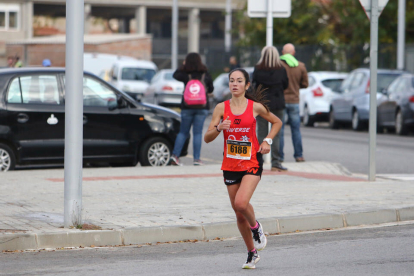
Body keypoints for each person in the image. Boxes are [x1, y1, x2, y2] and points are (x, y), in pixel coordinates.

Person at [204, 68, 282, 269]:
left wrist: (267, 141)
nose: (235, 84)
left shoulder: (255, 107)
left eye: (239, 81)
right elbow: (207, 137)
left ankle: (256, 228)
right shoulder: (221, 108)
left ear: (247, 85)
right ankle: (251, 253)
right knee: (239, 214)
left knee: (240, 203)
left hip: (252, 162)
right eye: (231, 81)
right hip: (230, 164)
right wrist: (219, 128)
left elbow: (277, 122)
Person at [170, 52, 214, 166]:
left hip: (187, 106)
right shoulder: (205, 73)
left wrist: (183, 65)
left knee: (183, 132)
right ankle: (196, 159)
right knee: (198, 133)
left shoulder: (186, 73)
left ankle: (175, 156)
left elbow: (175, 75)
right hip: (202, 107)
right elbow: (211, 89)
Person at [252, 46, 288, 171]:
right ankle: (276, 162)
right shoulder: (281, 69)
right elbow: (285, 85)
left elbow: (253, 84)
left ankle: (259, 161)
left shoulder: (258, 69)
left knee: (261, 132)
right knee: (276, 134)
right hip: (278, 103)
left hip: (262, 104)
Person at [280, 43, 308, 162]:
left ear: (282, 53)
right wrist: (295, 86)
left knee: (279, 130)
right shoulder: (301, 66)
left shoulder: (279, 65)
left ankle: (279, 157)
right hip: (294, 101)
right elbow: (305, 84)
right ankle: (299, 155)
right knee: (296, 129)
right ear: (294, 53)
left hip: (281, 101)